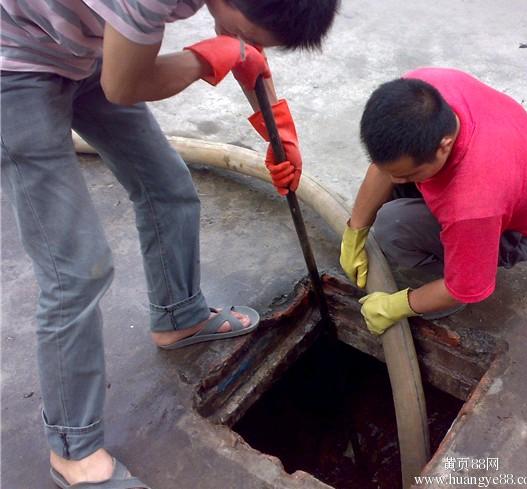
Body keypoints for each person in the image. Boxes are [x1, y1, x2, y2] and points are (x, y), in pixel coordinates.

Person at [1, 0, 340, 486]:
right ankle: (72, 451)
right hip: (15, 67)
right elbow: (125, 86)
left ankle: (179, 318)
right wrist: (209, 56)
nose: (257, 45)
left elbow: (248, 59)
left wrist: (278, 133)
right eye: (254, 33)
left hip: (84, 49)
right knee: (77, 269)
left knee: (169, 189)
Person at [340, 67, 527, 336]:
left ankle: (437, 291)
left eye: (409, 174)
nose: (396, 180)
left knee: (392, 228)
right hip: (504, 177)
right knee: (389, 190)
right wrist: (354, 233)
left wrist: (395, 306)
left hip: (512, 233)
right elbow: (386, 171)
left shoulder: (474, 203)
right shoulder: (422, 90)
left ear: (444, 145)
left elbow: (464, 287)